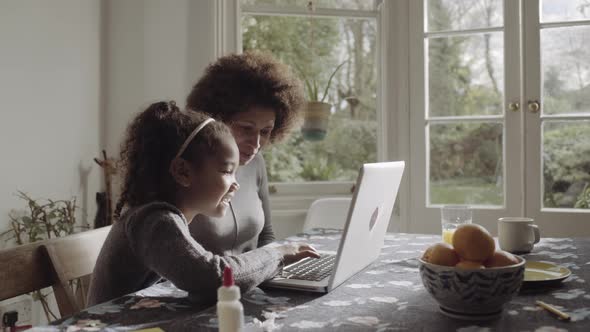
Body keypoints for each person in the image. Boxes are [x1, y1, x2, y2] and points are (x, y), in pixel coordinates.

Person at [87, 101, 318, 306]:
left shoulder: (163, 217)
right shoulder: (154, 220)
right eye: (227, 171)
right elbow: (212, 278)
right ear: (183, 171)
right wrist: (277, 255)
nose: (235, 184)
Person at [186, 51, 305, 255]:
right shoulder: (186, 168)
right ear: (216, 118)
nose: (256, 143)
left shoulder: (256, 163)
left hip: (251, 282)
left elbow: (266, 236)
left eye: (265, 132)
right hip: (203, 283)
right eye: (246, 128)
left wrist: (280, 268)